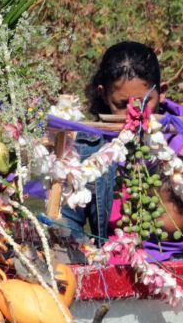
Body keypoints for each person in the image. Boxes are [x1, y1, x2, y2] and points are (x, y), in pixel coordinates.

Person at [62, 41, 163, 242]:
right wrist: (88, 252)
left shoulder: (181, 141)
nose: (134, 113)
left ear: (162, 92)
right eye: (122, 104)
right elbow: (68, 222)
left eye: (144, 102)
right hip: (110, 257)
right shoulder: (86, 151)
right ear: (104, 94)